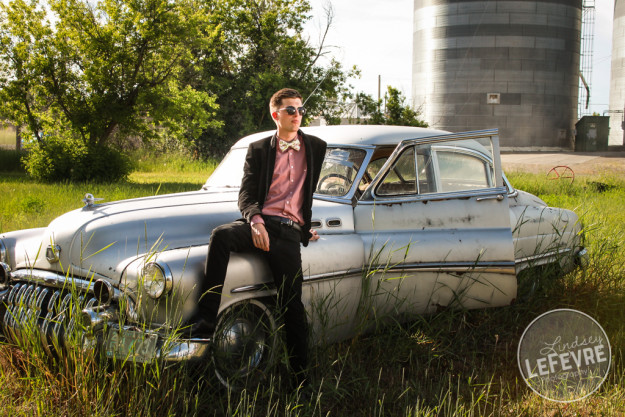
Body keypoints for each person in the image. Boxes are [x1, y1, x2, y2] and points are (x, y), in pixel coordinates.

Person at [186, 88, 327, 385]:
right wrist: (255, 222)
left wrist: (303, 227)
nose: (297, 115)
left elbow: (306, 194)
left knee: (292, 305)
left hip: (288, 234)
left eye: (300, 110)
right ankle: (207, 319)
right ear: (276, 115)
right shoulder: (259, 149)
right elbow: (247, 195)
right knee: (221, 236)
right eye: (291, 110)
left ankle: (300, 380)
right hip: (262, 225)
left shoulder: (317, 146)